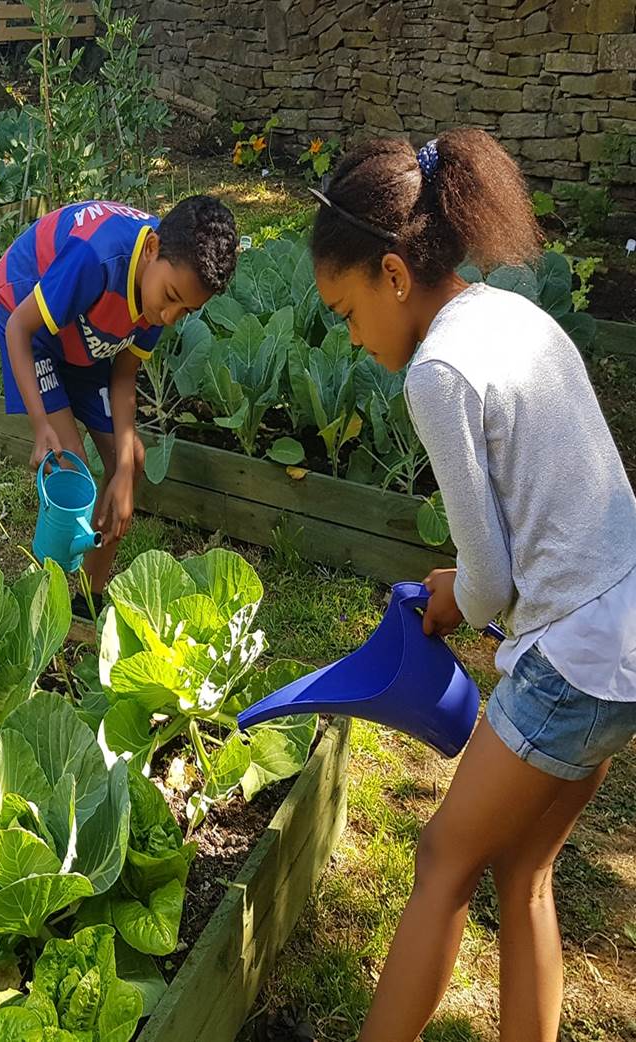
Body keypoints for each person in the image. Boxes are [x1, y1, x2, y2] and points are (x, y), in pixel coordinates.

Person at [309, 129, 636, 1041]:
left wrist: (456, 599)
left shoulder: (437, 372)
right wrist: (473, 582)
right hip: (627, 630)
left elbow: (489, 582)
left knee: (443, 857)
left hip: (575, 658)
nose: (350, 332)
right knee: (522, 872)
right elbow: (548, 517)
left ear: (393, 275)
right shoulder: (507, 312)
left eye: (344, 309)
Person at [0, 195, 237, 617]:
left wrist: (123, 470)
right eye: (172, 297)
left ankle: (89, 596)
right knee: (72, 467)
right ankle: (41, 608)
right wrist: (40, 424)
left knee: (134, 459)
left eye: (187, 310)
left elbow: (123, 376)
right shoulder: (97, 257)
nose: (170, 315)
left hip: (87, 335)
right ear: (153, 248)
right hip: (28, 318)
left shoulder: (159, 287)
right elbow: (19, 327)